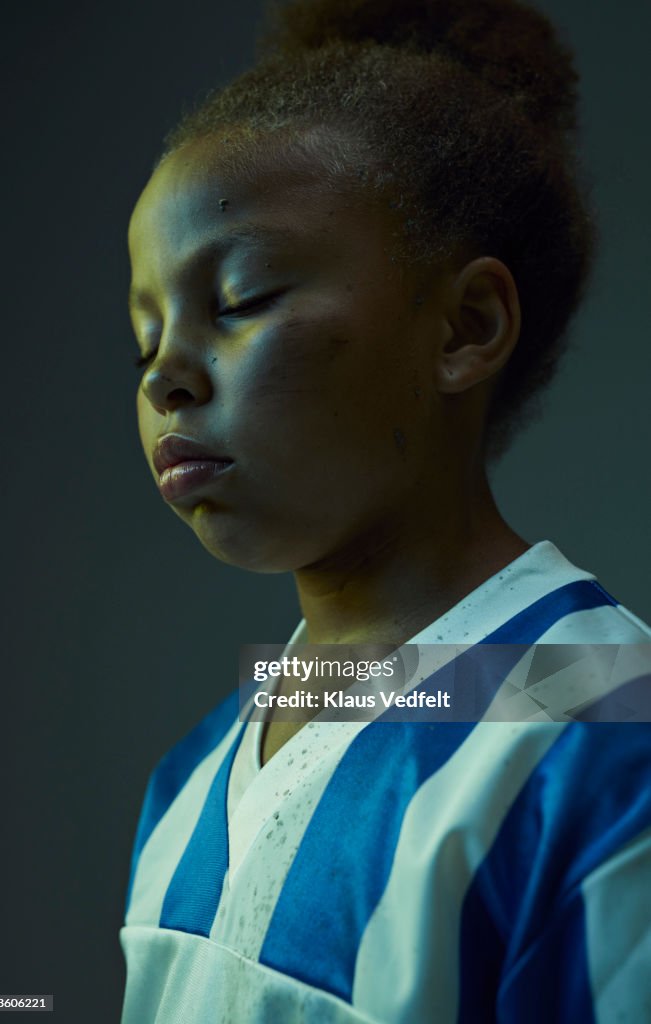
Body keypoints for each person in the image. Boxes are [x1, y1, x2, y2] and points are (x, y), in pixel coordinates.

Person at [120, 0, 651, 1020]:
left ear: (464, 325)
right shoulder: (186, 788)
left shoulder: (602, 737)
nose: (166, 378)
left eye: (240, 297)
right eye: (143, 340)